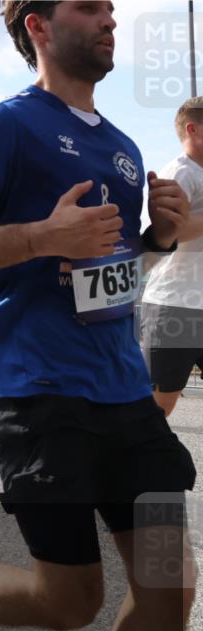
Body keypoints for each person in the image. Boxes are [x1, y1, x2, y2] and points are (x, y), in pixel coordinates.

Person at [0, 3, 197, 631]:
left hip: (124, 389)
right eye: (89, 7)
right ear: (37, 27)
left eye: (111, 9)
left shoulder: (123, 147)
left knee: (171, 584)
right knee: (69, 600)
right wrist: (38, 236)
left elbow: (111, 279)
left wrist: (158, 239)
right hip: (41, 391)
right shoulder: (9, 125)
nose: (109, 19)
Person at [140, 97, 203, 418]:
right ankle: (131, 466)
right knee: (159, 406)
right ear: (193, 129)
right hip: (175, 307)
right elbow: (166, 234)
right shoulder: (180, 173)